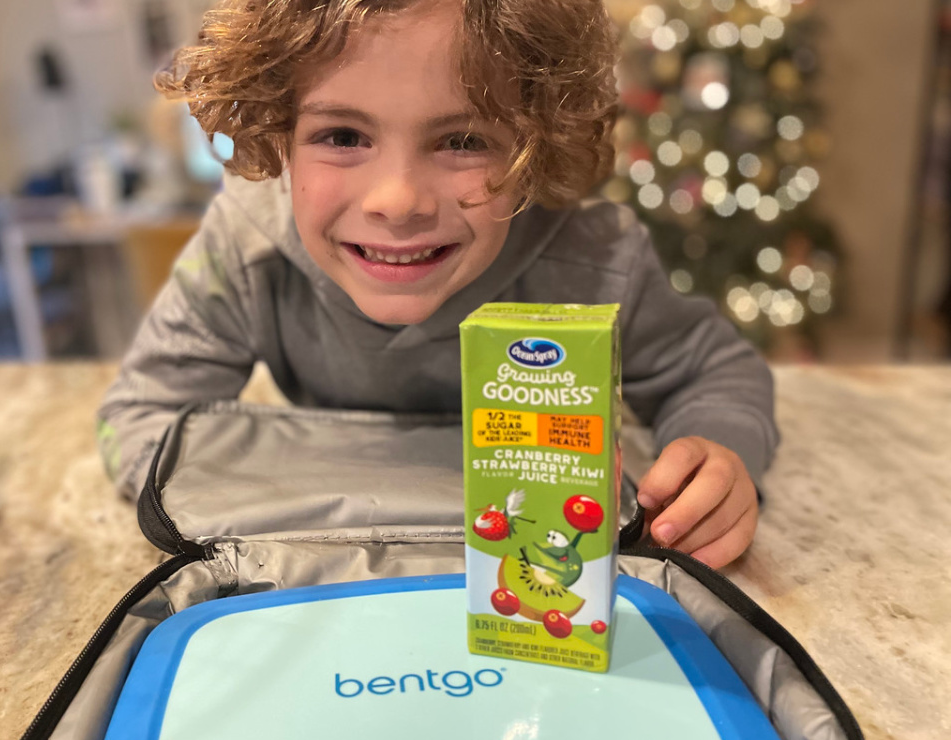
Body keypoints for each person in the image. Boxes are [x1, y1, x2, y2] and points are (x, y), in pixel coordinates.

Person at [98, 0, 778, 568]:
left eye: (462, 142)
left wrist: (719, 456)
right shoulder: (246, 245)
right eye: (341, 135)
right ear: (277, 137)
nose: (398, 201)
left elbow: (715, 371)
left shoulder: (596, 261)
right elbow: (142, 417)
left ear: (539, 139)